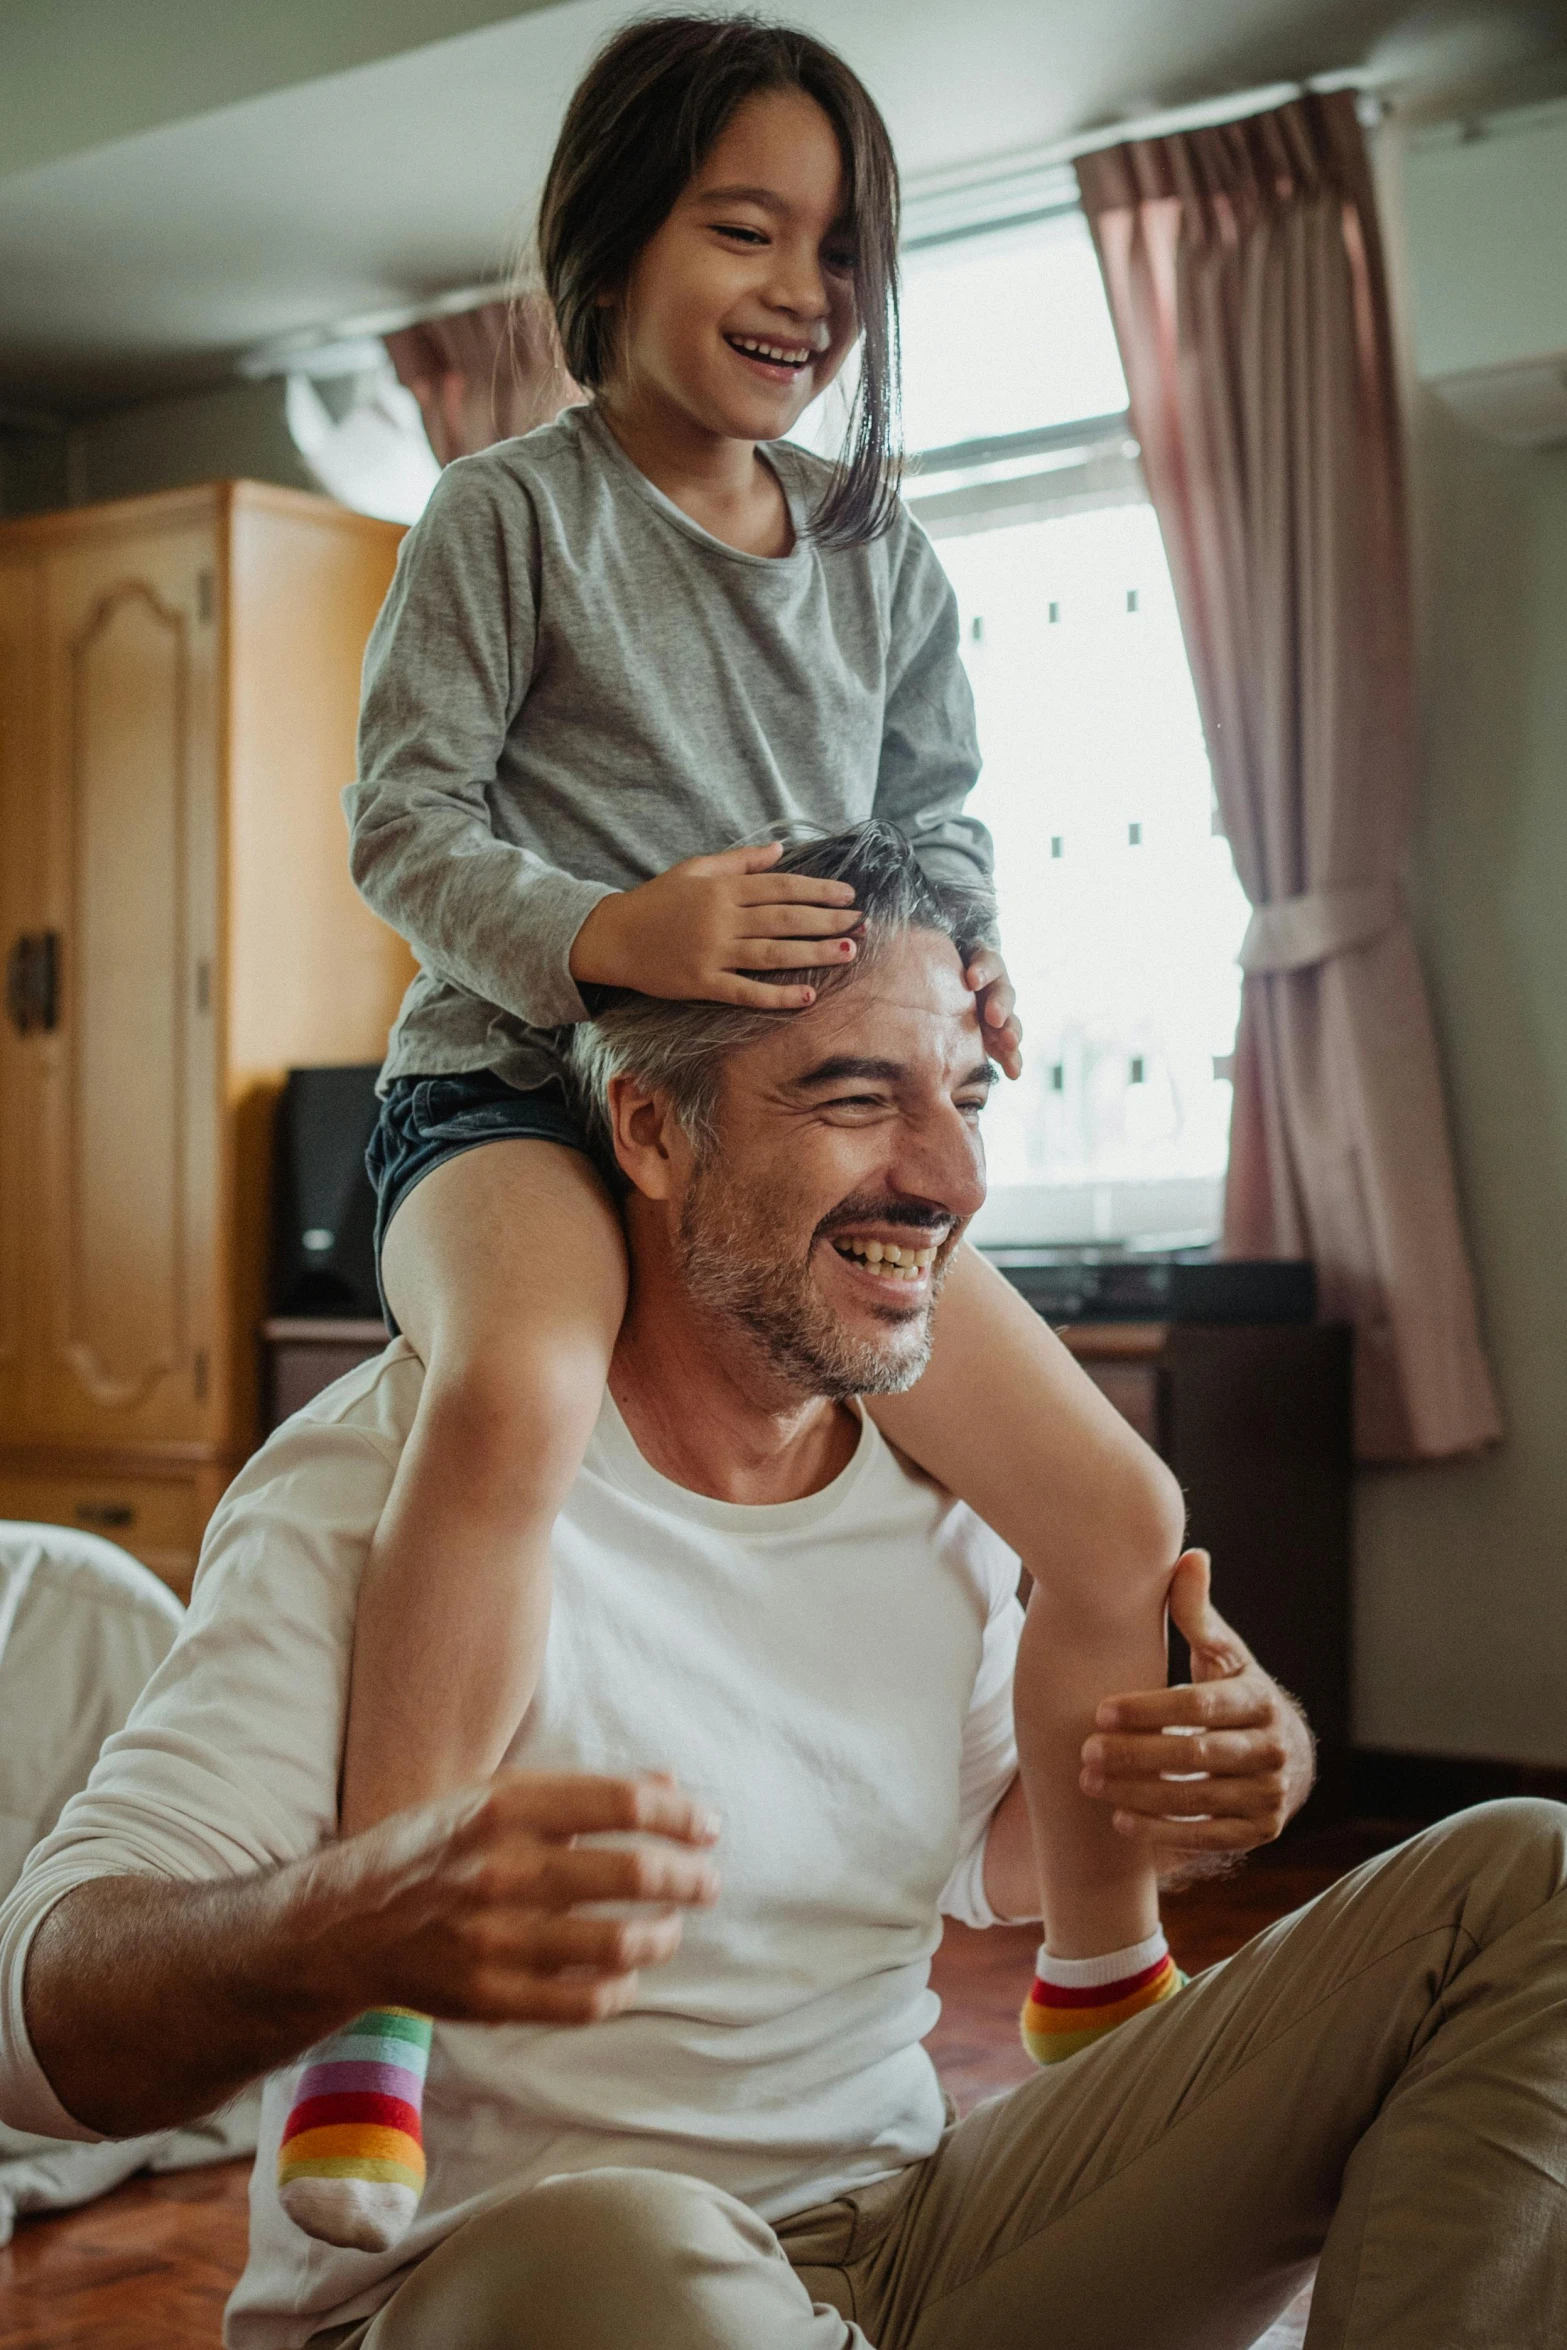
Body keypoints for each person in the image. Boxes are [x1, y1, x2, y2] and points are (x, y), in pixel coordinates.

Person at [6, 826, 1567, 2350]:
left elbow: (996, 1853)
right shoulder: (384, 1483)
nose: (951, 1179)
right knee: (629, 2240)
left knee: (1527, 1882)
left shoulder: (940, 1496)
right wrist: (345, 1925)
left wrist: (1216, 1771)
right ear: (651, 1133)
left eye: (962, 1099)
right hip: (518, 2280)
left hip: (906, 2247)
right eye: (853, 1099)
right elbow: (37, 2029)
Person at [324, 12, 1185, 2249]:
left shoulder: (879, 552)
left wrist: (971, 954)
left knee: (1118, 1502)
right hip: (514, 1082)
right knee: (512, 1385)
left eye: (842, 248)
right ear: (613, 242)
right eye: (747, 227)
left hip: (791, 1131)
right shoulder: (504, 515)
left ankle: (1100, 1984)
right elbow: (402, 823)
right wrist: (616, 925)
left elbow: (942, 820)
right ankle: (375, 1997)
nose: (806, 286)